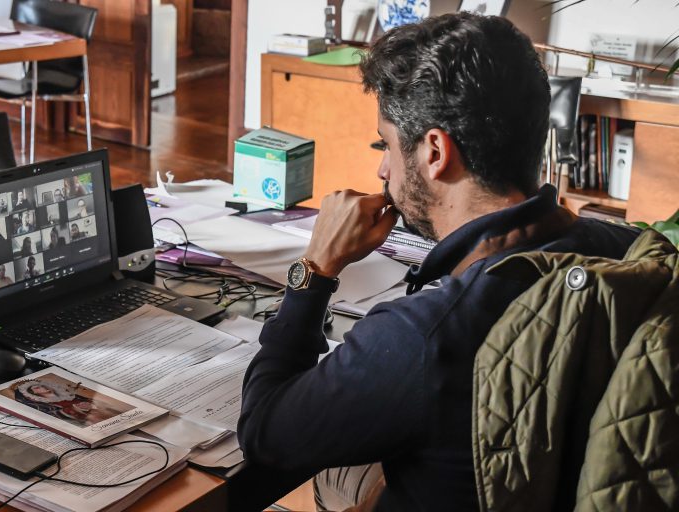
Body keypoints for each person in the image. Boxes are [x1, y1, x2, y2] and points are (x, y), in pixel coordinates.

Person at [237, 13, 640, 512]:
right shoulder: (627, 248)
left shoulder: (424, 336)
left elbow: (264, 432)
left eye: (385, 143)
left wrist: (314, 269)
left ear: (434, 151)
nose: (382, 168)